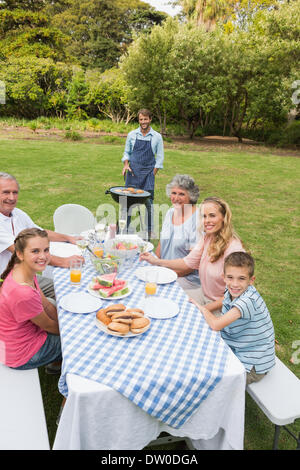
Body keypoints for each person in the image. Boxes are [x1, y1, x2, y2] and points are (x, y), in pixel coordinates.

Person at [140, 196, 245, 314]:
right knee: (166, 300)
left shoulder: (234, 249)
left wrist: (204, 309)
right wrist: (156, 261)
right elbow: (186, 262)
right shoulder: (208, 238)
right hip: (203, 295)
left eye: (212, 215)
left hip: (224, 307)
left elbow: (236, 294)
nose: (207, 221)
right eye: (204, 216)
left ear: (223, 218)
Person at [190, 252, 275, 385]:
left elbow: (216, 325)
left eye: (241, 278)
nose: (235, 284)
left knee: (212, 379)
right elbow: (224, 299)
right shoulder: (234, 290)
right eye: (230, 277)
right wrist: (204, 307)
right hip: (238, 346)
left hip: (254, 364)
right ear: (223, 277)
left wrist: (202, 309)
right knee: (200, 350)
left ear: (251, 280)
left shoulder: (247, 301)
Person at [0, 172, 84, 298]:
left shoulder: (17, 213)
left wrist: (69, 238)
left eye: (15, 192)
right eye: (6, 192)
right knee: (65, 292)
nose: (12, 198)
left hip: (24, 276)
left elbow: (41, 234)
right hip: (6, 283)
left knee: (68, 287)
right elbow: (24, 252)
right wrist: (64, 262)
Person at [0, 228, 62, 374]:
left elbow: (45, 303)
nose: (43, 256)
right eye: (35, 251)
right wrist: (71, 333)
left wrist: (62, 322)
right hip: (20, 355)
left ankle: (56, 362)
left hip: (12, 340)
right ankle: (60, 372)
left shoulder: (24, 269)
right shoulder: (23, 293)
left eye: (46, 250)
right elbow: (48, 326)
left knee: (52, 303)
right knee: (76, 345)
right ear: (20, 254)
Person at [156, 174, 201, 299]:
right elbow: (161, 244)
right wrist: (154, 265)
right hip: (165, 271)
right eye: (173, 193)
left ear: (191, 196)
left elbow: (193, 264)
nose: (176, 198)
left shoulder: (197, 220)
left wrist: (167, 276)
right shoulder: (170, 212)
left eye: (181, 194)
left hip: (186, 278)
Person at [121, 109, 164, 238]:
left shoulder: (157, 137)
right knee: (126, 204)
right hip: (132, 173)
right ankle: (124, 232)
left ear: (150, 119)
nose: (143, 122)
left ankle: (149, 233)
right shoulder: (132, 135)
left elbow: (160, 158)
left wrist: (152, 174)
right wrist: (126, 165)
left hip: (148, 175)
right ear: (139, 120)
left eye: (145, 119)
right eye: (141, 119)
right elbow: (126, 153)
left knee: (148, 205)